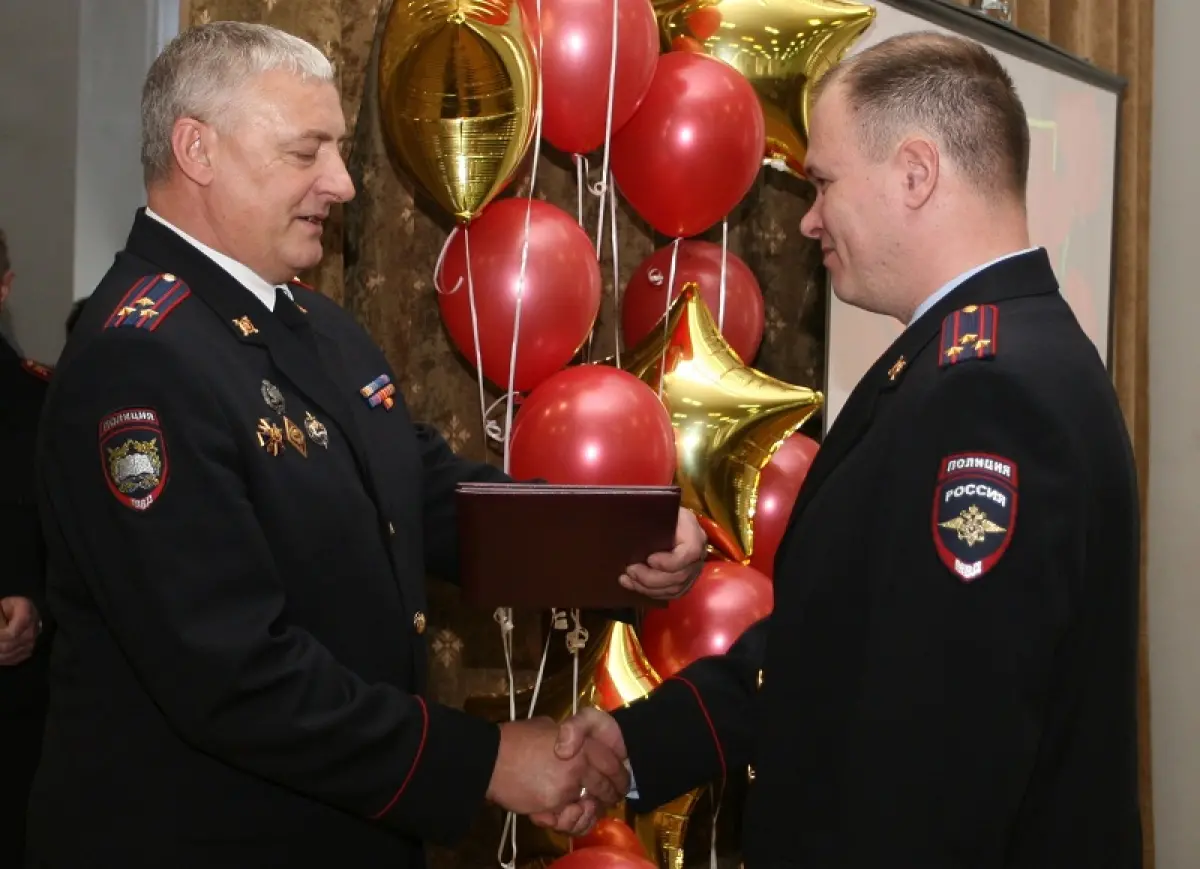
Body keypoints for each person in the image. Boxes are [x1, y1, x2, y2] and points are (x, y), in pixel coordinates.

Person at [28, 22, 705, 868]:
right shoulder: (140, 358)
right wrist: (488, 760)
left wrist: (622, 543)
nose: (342, 182)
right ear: (197, 149)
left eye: (339, 150)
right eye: (306, 151)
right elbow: (231, 673)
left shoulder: (316, 326)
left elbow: (420, 495)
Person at [551, 31, 1143, 868]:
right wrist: (641, 742)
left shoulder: (988, 394)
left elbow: (941, 761)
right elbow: (837, 640)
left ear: (915, 173)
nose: (808, 217)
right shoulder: (972, 359)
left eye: (823, 182)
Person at [0, 228, 52, 864]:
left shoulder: (42, 403)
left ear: (4, 288)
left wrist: (38, 610)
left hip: (15, 713)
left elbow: (73, 550)